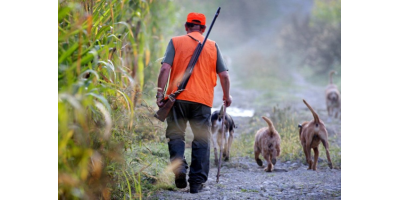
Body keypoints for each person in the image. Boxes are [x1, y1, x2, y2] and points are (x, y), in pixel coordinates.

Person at [155, 12, 232, 193]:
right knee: (201, 138)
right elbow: (225, 75)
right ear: (203, 29)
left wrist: (160, 94)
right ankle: (196, 183)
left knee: (176, 134)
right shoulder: (212, 46)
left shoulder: (175, 42)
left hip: (177, 98)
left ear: (186, 26)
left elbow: (165, 68)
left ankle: (179, 167)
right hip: (202, 101)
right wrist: (226, 96)